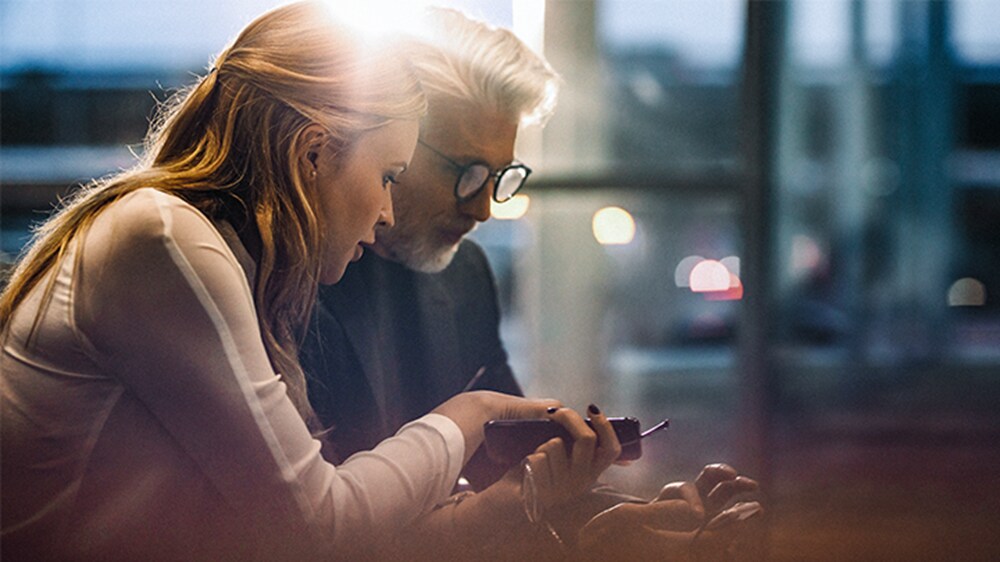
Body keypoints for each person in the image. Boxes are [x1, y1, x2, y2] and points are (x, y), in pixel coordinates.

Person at [0, 3, 621, 560]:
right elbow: (321, 531)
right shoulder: (165, 240)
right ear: (313, 153)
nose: (386, 211)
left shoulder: (227, 259)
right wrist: (471, 414)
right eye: (387, 175)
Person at [301, 7, 762, 560]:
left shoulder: (466, 275)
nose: (483, 208)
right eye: (466, 172)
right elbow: (324, 533)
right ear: (393, 144)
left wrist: (626, 519)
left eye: (499, 178)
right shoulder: (293, 278)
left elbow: (514, 479)